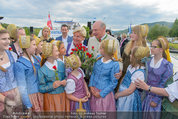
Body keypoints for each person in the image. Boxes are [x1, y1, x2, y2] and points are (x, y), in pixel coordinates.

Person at [141, 38, 173, 119]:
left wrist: (156, 100)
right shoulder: (147, 60)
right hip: (144, 95)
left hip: (156, 97)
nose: (151, 48)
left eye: (154, 47)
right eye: (151, 46)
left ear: (161, 49)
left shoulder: (167, 65)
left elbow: (164, 84)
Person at [115, 46, 150, 119]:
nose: (130, 56)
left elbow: (130, 90)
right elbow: (124, 78)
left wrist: (118, 94)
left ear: (136, 58)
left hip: (128, 97)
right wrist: (118, 89)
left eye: (131, 54)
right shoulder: (130, 66)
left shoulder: (139, 72)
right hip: (122, 92)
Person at [89, 39, 120, 112]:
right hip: (94, 90)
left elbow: (113, 83)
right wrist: (91, 85)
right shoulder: (98, 58)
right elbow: (93, 73)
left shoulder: (114, 64)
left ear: (106, 51)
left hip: (104, 94)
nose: (99, 48)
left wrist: (101, 93)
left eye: (101, 48)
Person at [38, 41, 69, 112]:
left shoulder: (61, 64)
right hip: (51, 98)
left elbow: (65, 76)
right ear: (49, 54)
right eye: (56, 51)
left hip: (62, 95)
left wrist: (65, 80)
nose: (58, 53)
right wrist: (52, 86)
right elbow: (41, 88)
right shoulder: (42, 70)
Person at [14, 35, 43, 112]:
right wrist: (28, 105)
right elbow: (22, 88)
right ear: (26, 46)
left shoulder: (37, 59)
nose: (36, 47)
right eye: (33, 45)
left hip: (40, 95)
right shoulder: (19, 64)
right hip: (31, 97)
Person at [0, 30, 21, 117]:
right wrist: (7, 101)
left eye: (8, 38)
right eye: (4, 39)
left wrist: (18, 96)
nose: (8, 41)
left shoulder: (11, 55)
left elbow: (14, 78)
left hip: (15, 97)